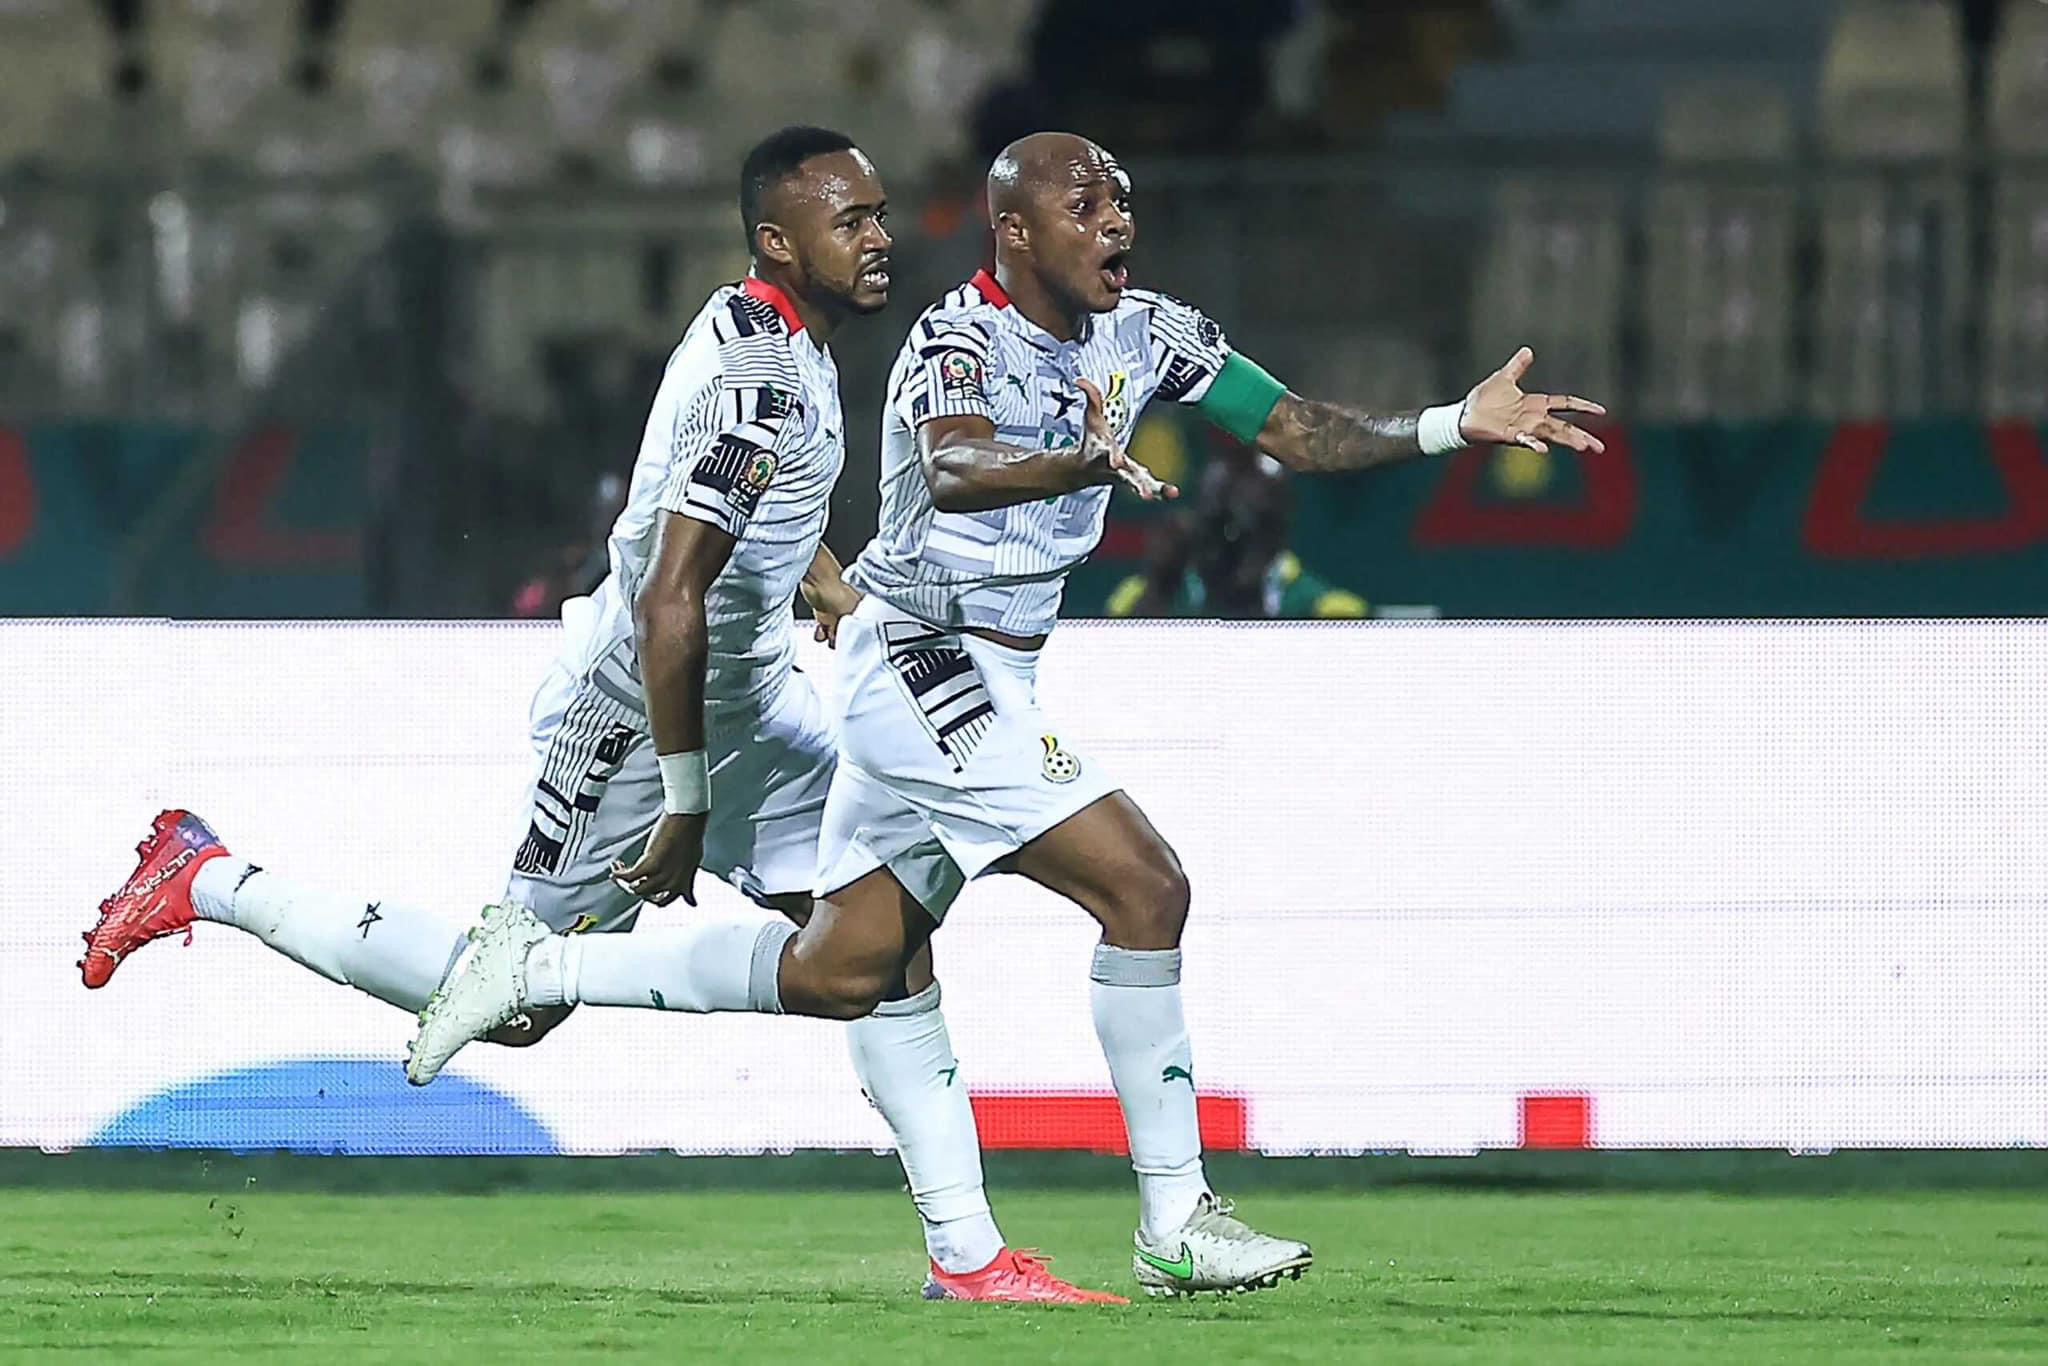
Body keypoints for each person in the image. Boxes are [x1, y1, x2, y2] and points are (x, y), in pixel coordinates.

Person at [411, 131, 1607, 1297]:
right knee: (1145, 886)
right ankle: (1176, 1222)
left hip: (990, 670)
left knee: (846, 968)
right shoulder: (956, 338)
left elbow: (1292, 428)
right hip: (923, 663)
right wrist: (1076, 462)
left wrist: (1447, 424)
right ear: (1015, 231)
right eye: (1085, 206)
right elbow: (954, 466)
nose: (1116, 221)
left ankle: (548, 964)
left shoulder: (1149, 331)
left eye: (1119, 200)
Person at [78, 126, 1119, 1307]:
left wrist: (823, 585)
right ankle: (207, 875)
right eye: (851, 222)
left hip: (753, 706)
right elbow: (669, 601)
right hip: (634, 721)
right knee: (514, 1002)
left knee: (878, 946)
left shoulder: (789, 341)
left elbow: (741, 524)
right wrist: (682, 802)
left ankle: (968, 1258)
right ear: (778, 243)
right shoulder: (758, 384)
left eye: (878, 214)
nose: (880, 238)